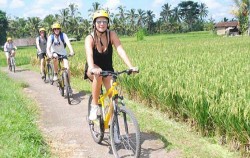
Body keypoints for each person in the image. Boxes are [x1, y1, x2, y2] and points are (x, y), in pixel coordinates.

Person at [84, 10, 138, 121]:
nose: (102, 24)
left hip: (108, 69)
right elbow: (89, 54)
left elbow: (120, 50)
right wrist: (92, 68)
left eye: (104, 21)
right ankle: (94, 106)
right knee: (98, 76)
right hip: (93, 68)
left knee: (114, 98)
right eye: (99, 21)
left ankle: (113, 124)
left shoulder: (111, 34)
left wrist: (130, 66)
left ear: (108, 23)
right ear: (94, 23)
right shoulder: (90, 38)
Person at [46, 22, 75, 93]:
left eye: (58, 29)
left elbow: (68, 43)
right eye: (55, 29)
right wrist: (49, 54)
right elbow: (48, 47)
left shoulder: (63, 35)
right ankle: (55, 74)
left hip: (63, 53)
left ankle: (68, 85)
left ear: (60, 29)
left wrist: (71, 51)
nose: (56, 30)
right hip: (54, 53)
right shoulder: (51, 37)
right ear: (53, 30)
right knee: (55, 57)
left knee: (67, 69)